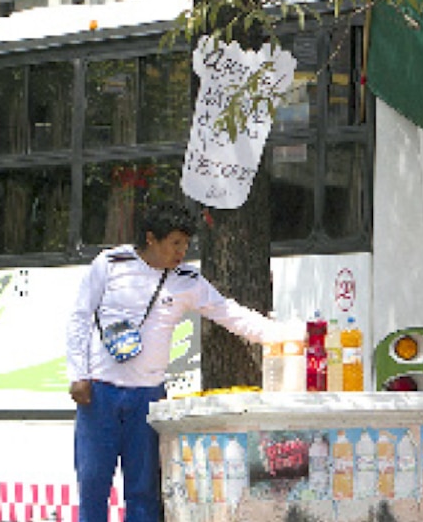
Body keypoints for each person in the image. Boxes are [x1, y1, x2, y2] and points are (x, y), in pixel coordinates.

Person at [66, 200, 297, 522]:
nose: (181, 252)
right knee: (93, 485)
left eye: (186, 244)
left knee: (144, 490)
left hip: (148, 398)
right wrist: (78, 374)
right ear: (151, 238)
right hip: (99, 393)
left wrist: (282, 335)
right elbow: (79, 316)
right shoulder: (111, 263)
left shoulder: (188, 279)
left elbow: (228, 312)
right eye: (175, 243)